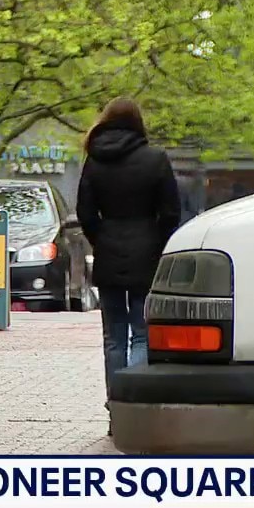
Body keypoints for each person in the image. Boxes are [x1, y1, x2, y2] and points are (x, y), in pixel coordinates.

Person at [76, 97, 181, 435]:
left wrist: (102, 239)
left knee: (113, 338)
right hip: (147, 255)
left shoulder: (94, 161)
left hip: (108, 252)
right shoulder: (155, 159)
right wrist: (159, 243)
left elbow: (86, 213)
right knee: (142, 334)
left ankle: (115, 409)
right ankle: (135, 408)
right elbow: (170, 212)